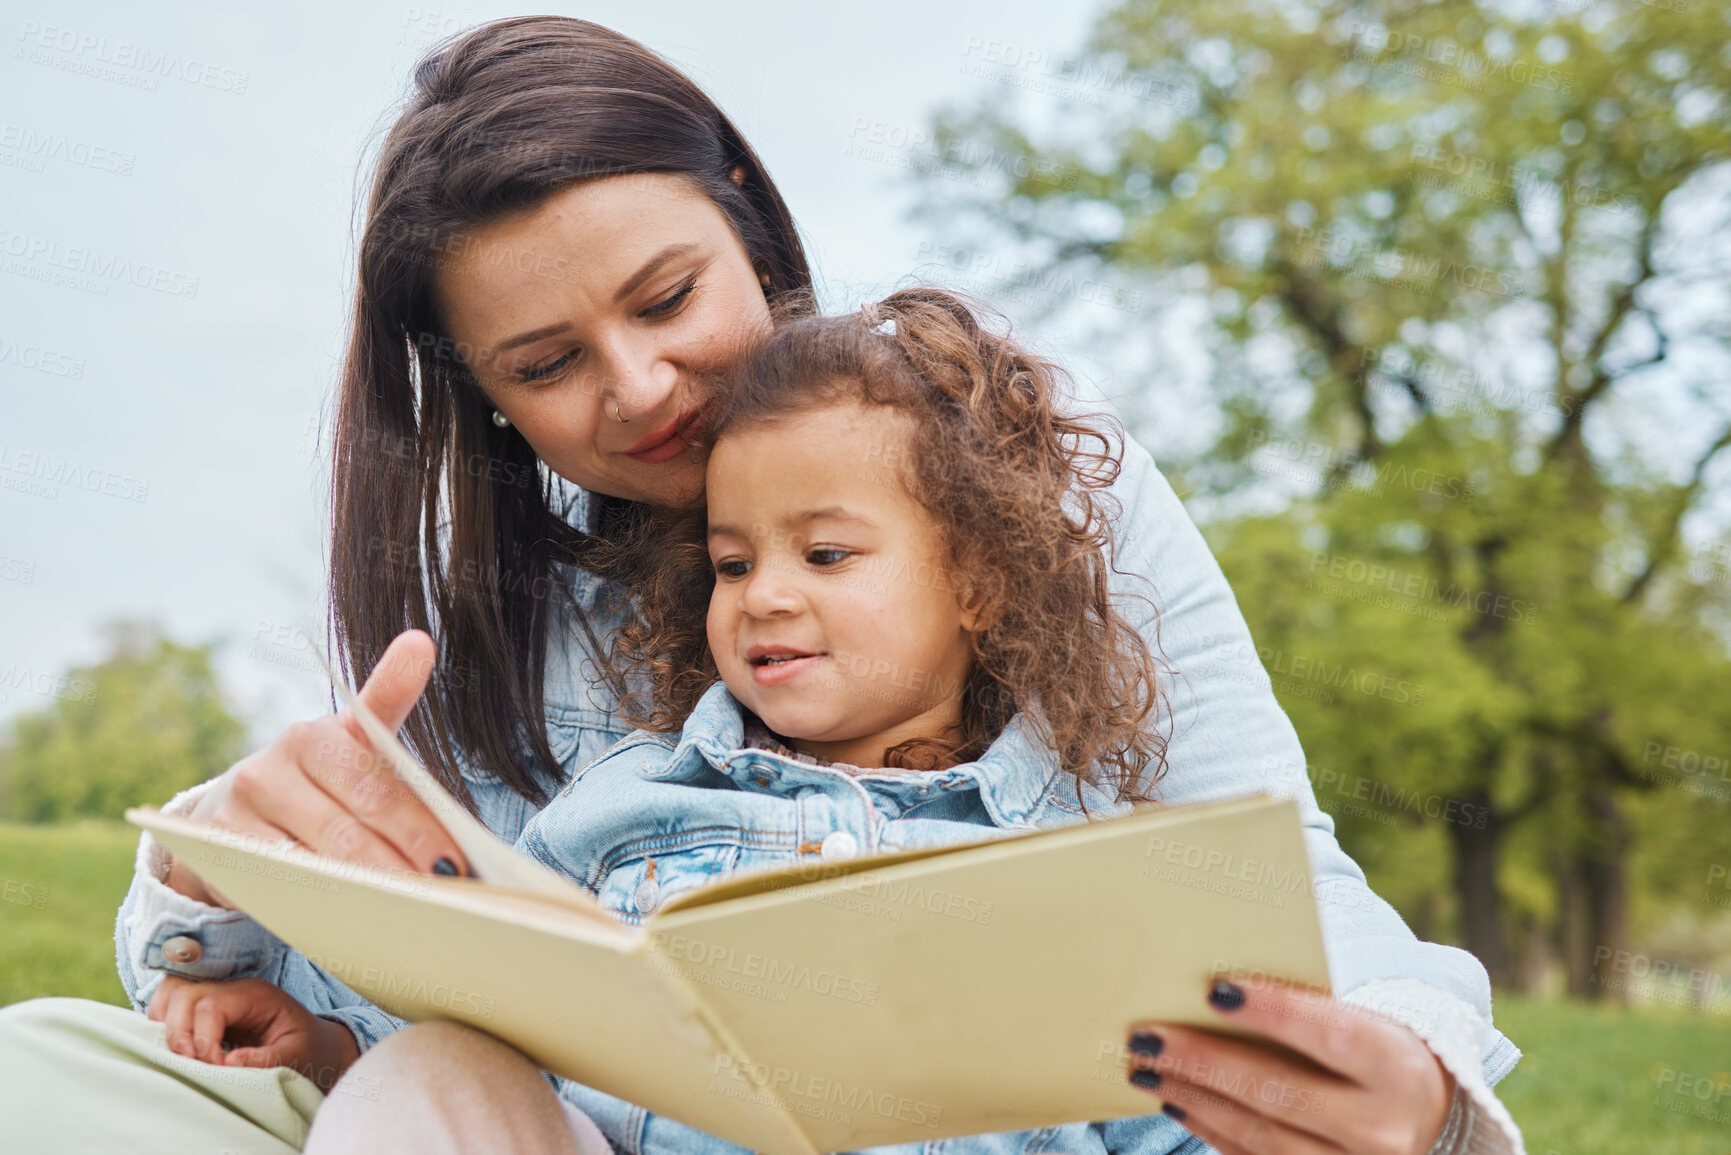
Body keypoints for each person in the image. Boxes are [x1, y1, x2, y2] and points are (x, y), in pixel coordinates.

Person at [0, 16, 1524, 1155]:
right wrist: (214, 873)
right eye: (546, 366)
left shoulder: (1016, 473)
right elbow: (406, 976)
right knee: (44, 1071)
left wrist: (1418, 1088)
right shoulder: (502, 613)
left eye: (668, 296)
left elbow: (1264, 867)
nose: (645, 384)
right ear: (480, 399)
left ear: (743, 207)